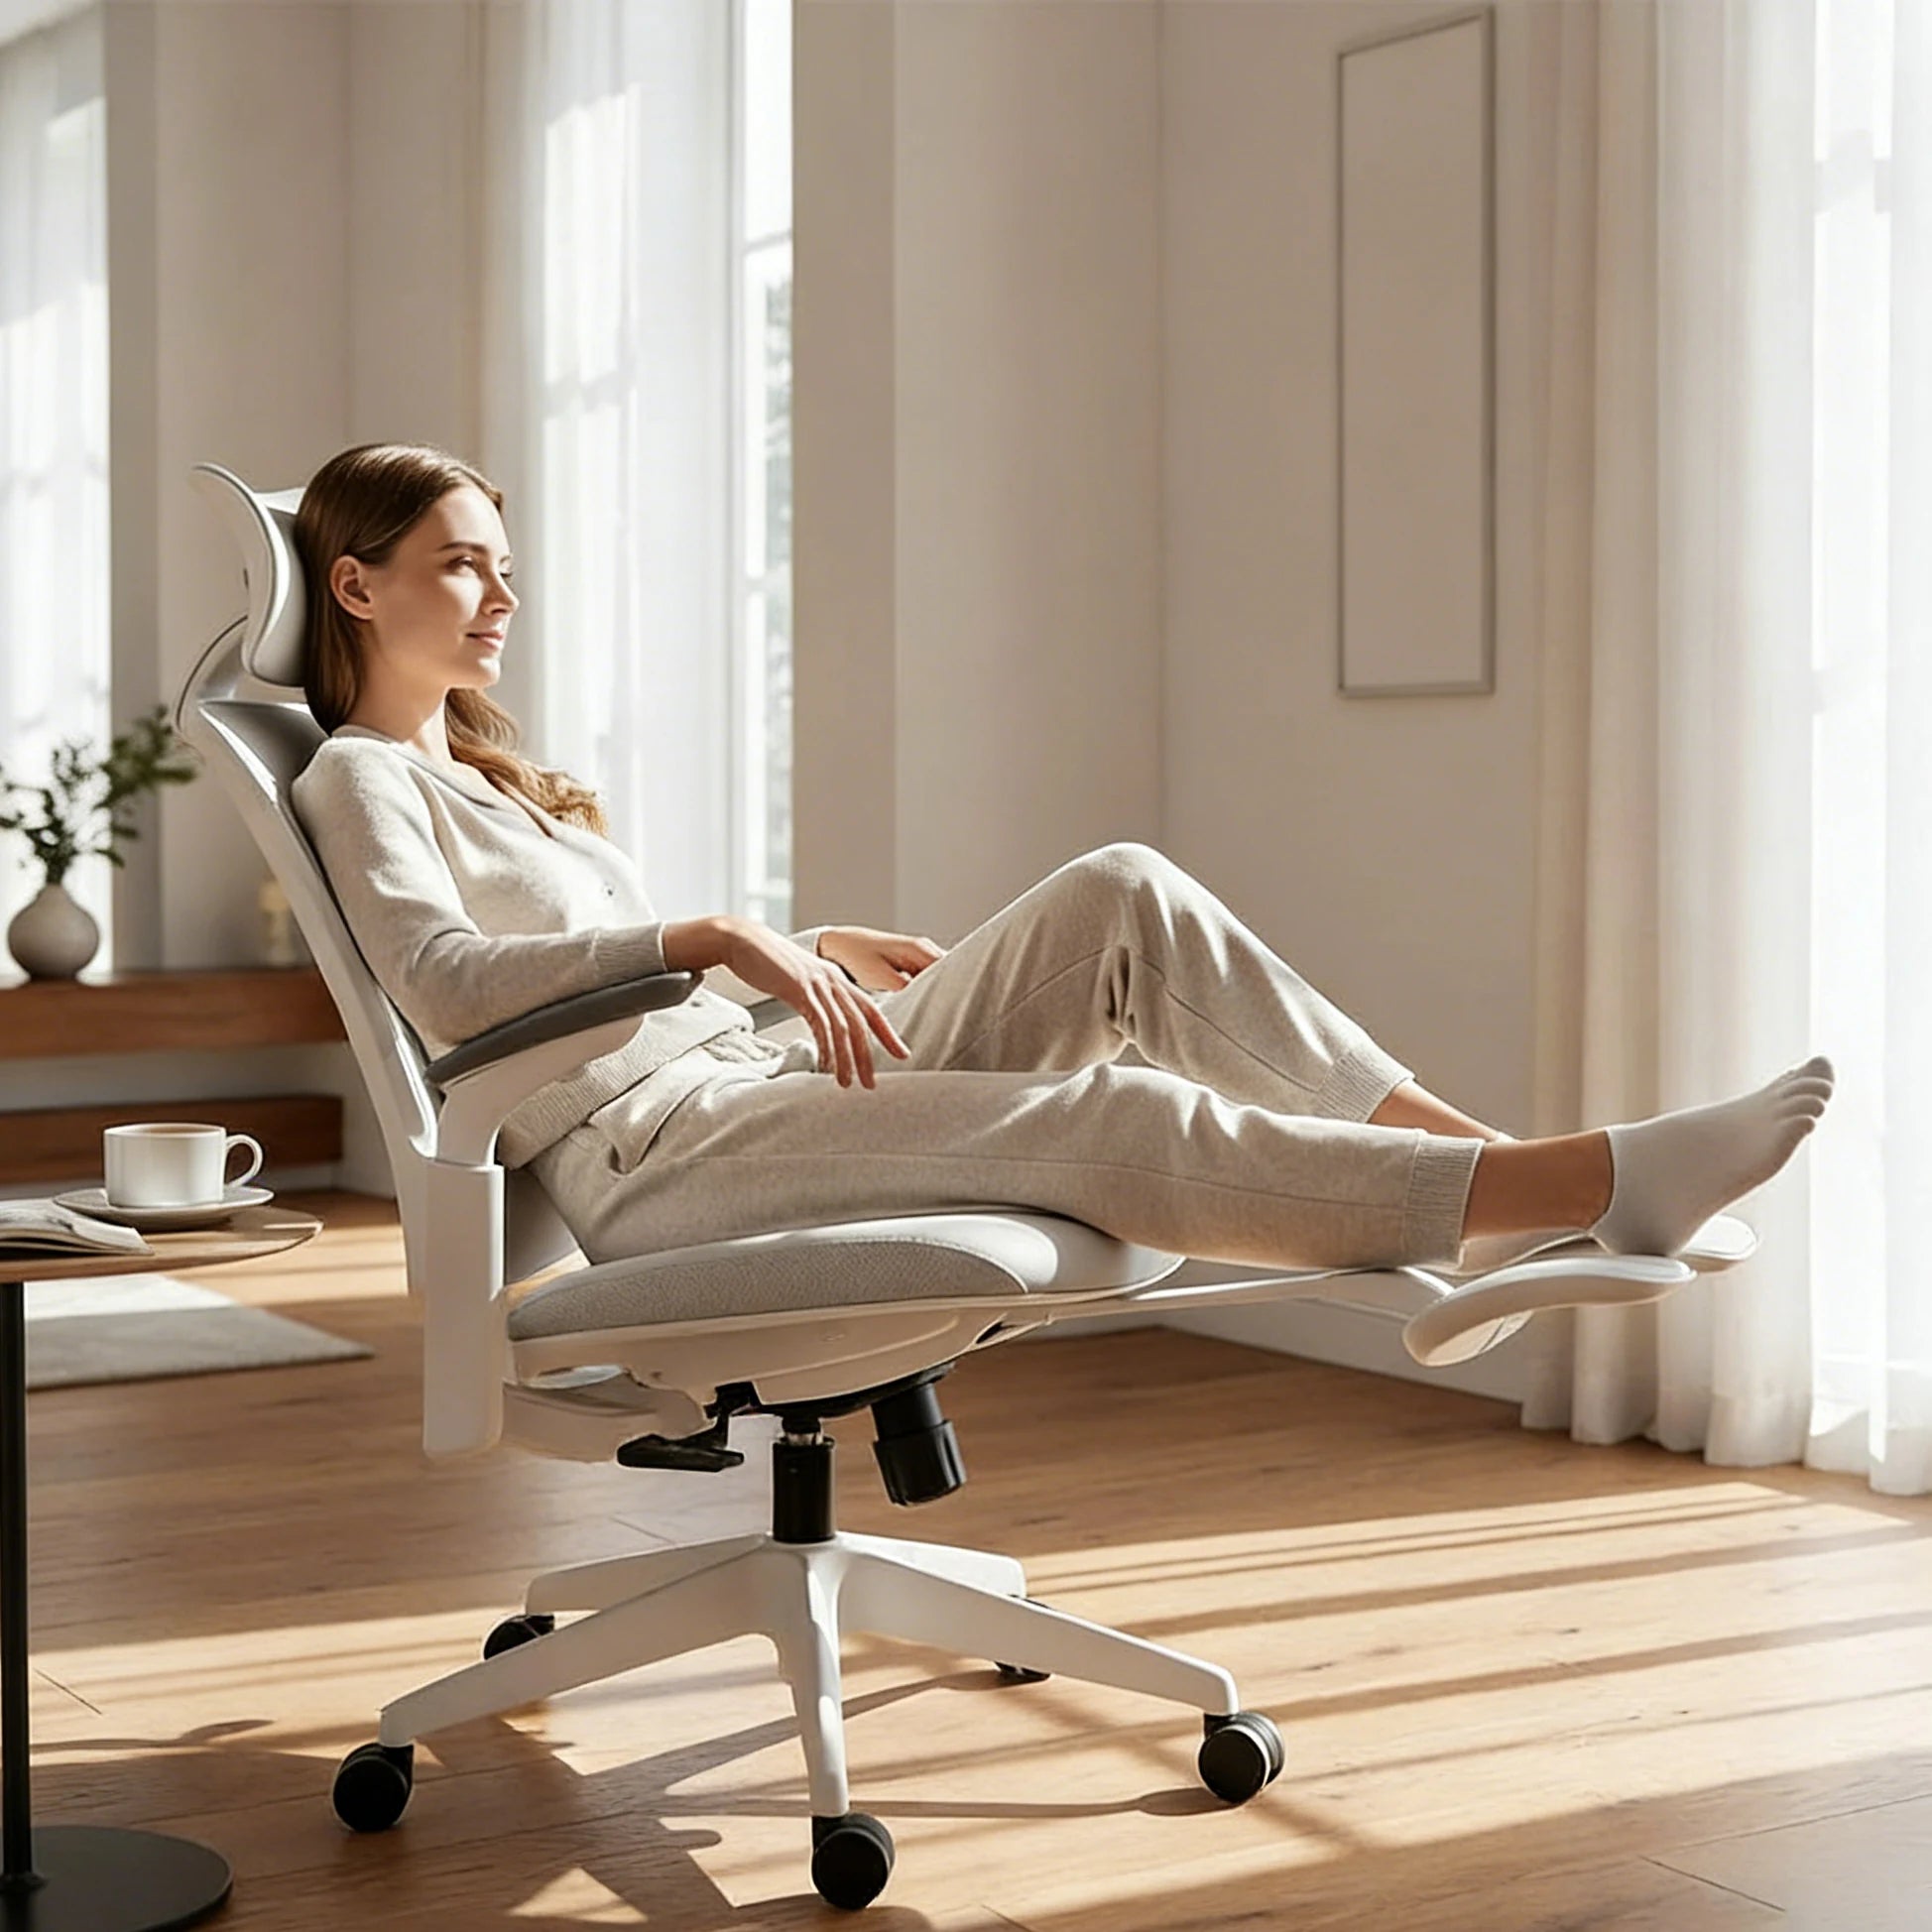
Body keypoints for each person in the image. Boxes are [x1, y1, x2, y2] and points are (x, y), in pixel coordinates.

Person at [289, 441, 1834, 1285]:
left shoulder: (489, 777)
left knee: (1120, 893)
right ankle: (1580, 1190)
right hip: (658, 1157)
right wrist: (705, 937)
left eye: (506, 562)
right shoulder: (361, 780)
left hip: (748, 1079)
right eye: (460, 563)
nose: (499, 594)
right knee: (1109, 1112)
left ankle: (1494, 1170)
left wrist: (802, 945)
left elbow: (614, 972)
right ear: (356, 585)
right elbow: (445, 984)